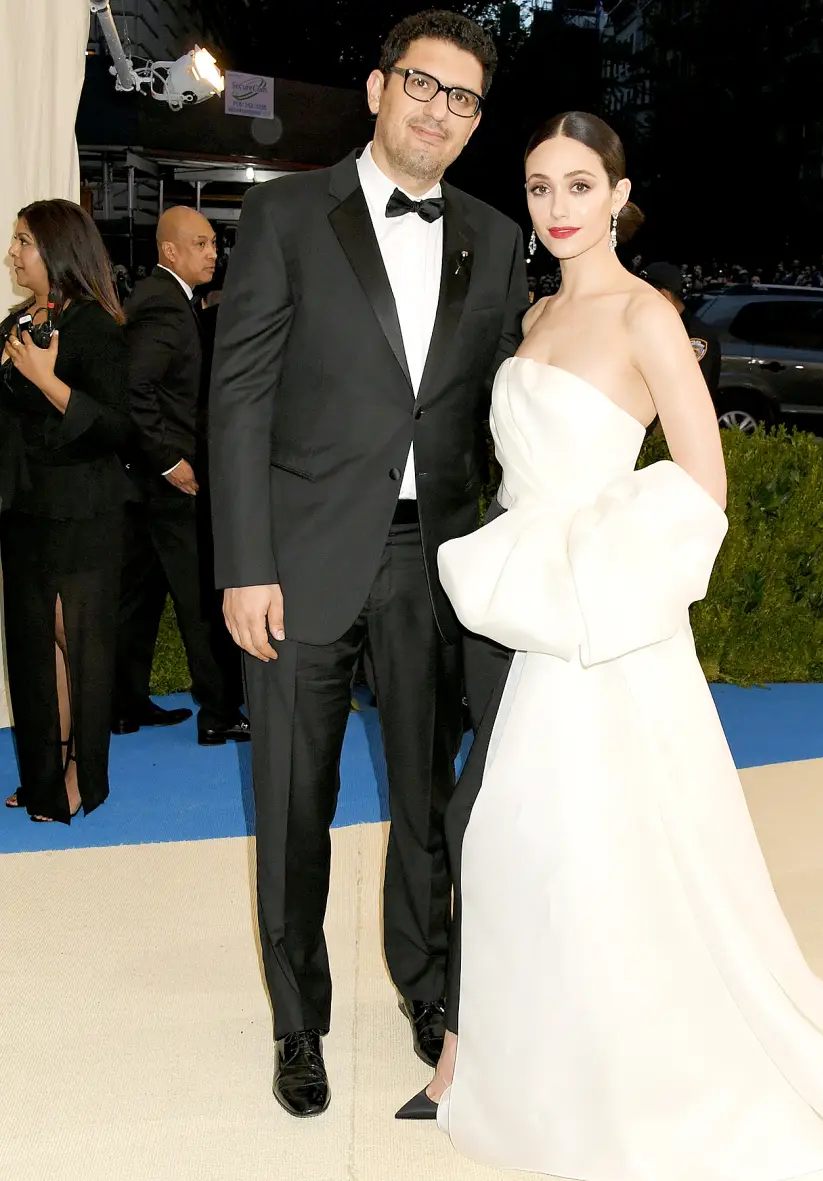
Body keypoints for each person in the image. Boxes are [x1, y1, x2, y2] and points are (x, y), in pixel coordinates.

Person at [402, 111, 823, 1178]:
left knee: (601, 853)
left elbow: (701, 485)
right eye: (539, 187)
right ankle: (482, 1050)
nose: (557, 207)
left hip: (608, 625)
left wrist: (587, 570)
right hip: (531, 620)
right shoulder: (534, 314)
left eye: (578, 185)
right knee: (509, 845)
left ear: (619, 196)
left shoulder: (647, 317)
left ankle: (598, 1068)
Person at [209, 9, 527, 1118]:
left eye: (463, 98)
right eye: (423, 85)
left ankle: (428, 988)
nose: (439, 111)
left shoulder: (497, 237)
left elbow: (505, 409)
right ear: (380, 88)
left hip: (435, 561)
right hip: (298, 559)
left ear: (476, 122)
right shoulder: (286, 213)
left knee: (428, 802)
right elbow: (239, 398)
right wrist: (244, 563)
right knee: (295, 802)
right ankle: (299, 1021)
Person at [1, 199, 131, 823]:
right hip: (24, 510)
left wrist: (46, 380)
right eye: (16, 241)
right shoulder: (15, 322)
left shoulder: (96, 326)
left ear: (57, 250)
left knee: (76, 642)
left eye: (24, 241)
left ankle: (84, 775)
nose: (13, 253)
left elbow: (118, 428)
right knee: (35, 645)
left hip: (82, 512)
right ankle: (44, 775)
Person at [115, 207, 247, 743]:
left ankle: (124, 706)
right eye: (201, 244)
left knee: (139, 596)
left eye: (214, 243)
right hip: (170, 483)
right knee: (200, 600)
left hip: (147, 483)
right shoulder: (164, 305)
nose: (213, 253)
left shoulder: (167, 298)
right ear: (169, 250)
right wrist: (170, 460)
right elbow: (134, 387)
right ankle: (219, 713)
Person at [643, 260, 721, 400]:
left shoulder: (694, 335)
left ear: (663, 295)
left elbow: (692, 393)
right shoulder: (657, 328)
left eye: (643, 295)